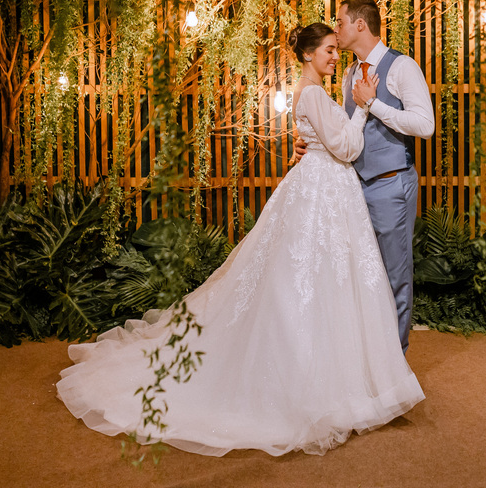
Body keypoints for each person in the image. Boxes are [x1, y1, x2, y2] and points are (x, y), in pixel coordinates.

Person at [56, 22, 424, 456]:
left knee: (322, 282)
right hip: (323, 189)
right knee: (310, 284)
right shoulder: (312, 93)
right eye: (327, 49)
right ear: (308, 54)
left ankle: (343, 372)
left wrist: (331, 129)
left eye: (334, 48)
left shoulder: (314, 91)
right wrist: (362, 108)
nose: (333, 56)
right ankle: (318, 380)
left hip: (326, 189)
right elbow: (346, 148)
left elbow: (327, 141)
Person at [312, 0, 436, 353]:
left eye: (340, 22)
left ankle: (396, 363)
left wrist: (373, 103)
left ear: (360, 25)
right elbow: (348, 131)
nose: (336, 30)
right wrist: (311, 143)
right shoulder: (350, 73)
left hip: (391, 185)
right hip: (354, 188)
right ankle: (370, 361)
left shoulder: (401, 67)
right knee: (363, 276)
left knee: (395, 276)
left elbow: (425, 125)